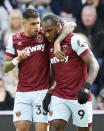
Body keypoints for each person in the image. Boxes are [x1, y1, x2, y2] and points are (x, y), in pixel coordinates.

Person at [3, 8, 76, 131]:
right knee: (20, 129)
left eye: (38, 23)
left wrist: (57, 42)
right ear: (23, 24)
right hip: (22, 92)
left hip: (41, 91)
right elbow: (5, 67)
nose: (37, 27)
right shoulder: (14, 39)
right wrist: (18, 59)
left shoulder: (44, 34)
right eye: (33, 24)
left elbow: (71, 24)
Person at [42, 14, 99, 131]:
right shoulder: (48, 42)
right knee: (54, 127)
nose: (46, 35)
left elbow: (94, 64)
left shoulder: (74, 39)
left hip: (79, 95)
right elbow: (55, 72)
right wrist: (49, 92)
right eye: (45, 31)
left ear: (58, 26)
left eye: (49, 31)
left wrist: (87, 86)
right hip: (60, 95)